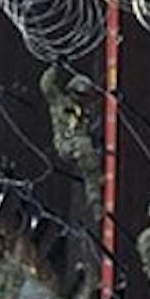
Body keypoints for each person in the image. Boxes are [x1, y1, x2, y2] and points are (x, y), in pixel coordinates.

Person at [41, 64, 100, 220]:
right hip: (65, 145)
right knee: (84, 146)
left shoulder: (86, 111)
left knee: (89, 166)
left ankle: (95, 201)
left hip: (82, 148)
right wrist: (55, 66)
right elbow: (46, 85)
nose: (81, 98)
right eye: (78, 94)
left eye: (84, 95)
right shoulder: (59, 102)